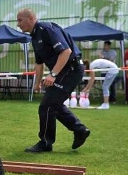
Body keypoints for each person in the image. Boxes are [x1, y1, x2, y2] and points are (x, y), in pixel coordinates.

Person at [16, 8, 90, 152]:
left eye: (20, 20)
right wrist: (37, 83)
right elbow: (39, 64)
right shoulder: (34, 37)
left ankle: (45, 143)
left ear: (31, 18)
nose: (18, 24)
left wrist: (53, 74)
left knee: (46, 106)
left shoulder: (47, 29)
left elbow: (66, 52)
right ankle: (80, 130)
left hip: (71, 69)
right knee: (53, 104)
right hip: (64, 71)